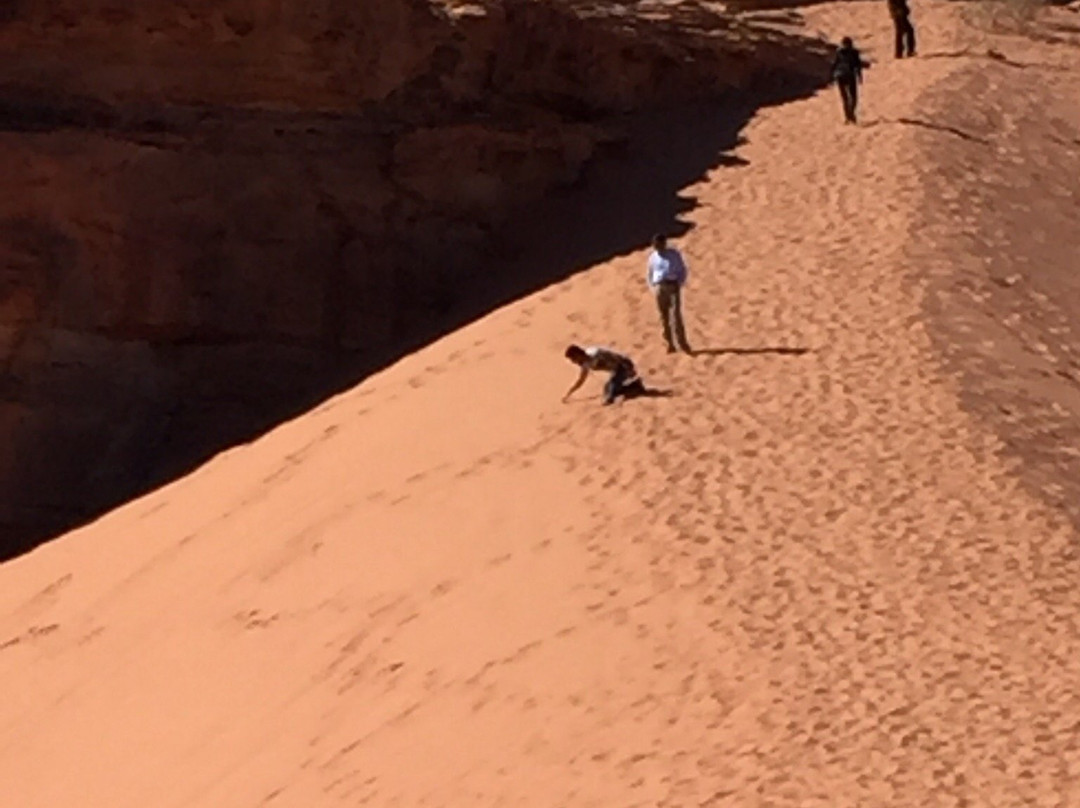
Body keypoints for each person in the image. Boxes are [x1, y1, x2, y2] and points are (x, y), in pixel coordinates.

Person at [646, 233, 693, 354]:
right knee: (664, 317)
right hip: (660, 287)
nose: (657, 247)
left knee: (676, 316)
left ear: (664, 243)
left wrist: (679, 284)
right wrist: (654, 287)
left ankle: (683, 344)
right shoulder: (652, 257)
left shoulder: (674, 255)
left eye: (659, 244)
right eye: (655, 245)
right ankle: (670, 344)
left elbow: (682, 270)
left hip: (673, 286)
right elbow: (650, 273)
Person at [562, 345, 646, 405]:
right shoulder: (585, 364)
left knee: (609, 396)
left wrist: (629, 369)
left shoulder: (596, 353)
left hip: (623, 366)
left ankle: (635, 386)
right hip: (616, 370)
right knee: (607, 389)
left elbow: (615, 356)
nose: (573, 362)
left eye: (573, 359)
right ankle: (633, 385)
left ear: (578, 355)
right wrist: (569, 393)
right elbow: (580, 380)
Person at [831, 37, 869, 125]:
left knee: (845, 98)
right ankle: (850, 115)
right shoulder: (853, 52)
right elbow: (858, 65)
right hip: (849, 76)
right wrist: (859, 76)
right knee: (853, 97)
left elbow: (835, 64)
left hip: (840, 76)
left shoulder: (838, 52)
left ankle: (848, 116)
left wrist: (832, 76)